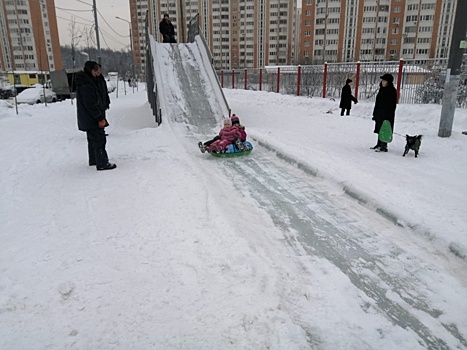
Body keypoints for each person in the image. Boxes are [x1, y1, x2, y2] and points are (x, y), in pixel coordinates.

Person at [75, 61, 116, 170]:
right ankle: (102, 162)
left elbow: (101, 94)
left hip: (91, 116)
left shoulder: (93, 80)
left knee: (93, 139)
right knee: (99, 139)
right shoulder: (86, 84)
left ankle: (94, 159)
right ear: (90, 71)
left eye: (99, 69)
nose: (98, 72)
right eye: (96, 70)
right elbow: (90, 104)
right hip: (92, 117)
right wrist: (99, 118)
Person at [371, 73, 398, 152]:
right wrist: (375, 113)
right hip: (380, 113)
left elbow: (392, 105)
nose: (383, 82)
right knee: (379, 129)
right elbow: (377, 102)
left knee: (385, 129)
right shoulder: (381, 90)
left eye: (384, 81)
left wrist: (388, 115)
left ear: (388, 82)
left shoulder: (391, 91)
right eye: (382, 80)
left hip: (387, 114)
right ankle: (379, 144)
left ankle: (384, 146)